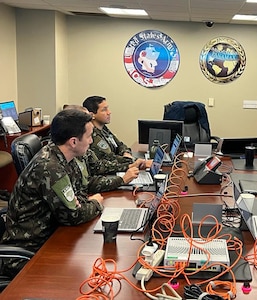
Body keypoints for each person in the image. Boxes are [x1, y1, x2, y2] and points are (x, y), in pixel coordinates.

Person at [1, 110, 104, 278]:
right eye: (89, 136)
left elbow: (79, 194)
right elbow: (73, 216)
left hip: (52, 237)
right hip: (31, 251)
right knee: (86, 275)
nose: (91, 142)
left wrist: (80, 204)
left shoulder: (62, 157)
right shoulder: (50, 167)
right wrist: (96, 204)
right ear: (73, 142)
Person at [63, 105, 142, 193]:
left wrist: (128, 165)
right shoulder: (57, 162)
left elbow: (97, 166)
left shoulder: (79, 148)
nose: (91, 140)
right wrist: (122, 179)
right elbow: (85, 186)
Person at [83, 96, 151, 169]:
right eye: (104, 110)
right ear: (92, 115)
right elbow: (109, 158)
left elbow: (120, 145)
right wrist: (132, 161)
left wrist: (125, 153)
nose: (109, 112)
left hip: (120, 165)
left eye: (108, 108)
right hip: (108, 172)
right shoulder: (92, 135)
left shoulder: (103, 129)